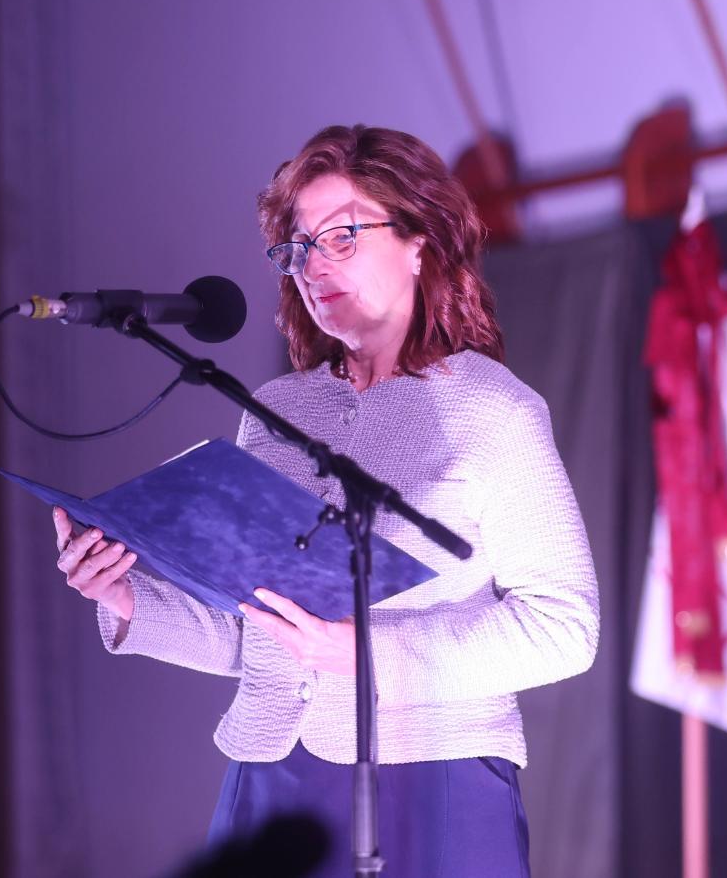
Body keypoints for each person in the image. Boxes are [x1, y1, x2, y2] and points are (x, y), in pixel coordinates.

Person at [53, 124, 599, 876]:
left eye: (342, 235)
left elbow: (565, 627)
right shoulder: (276, 412)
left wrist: (370, 657)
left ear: (419, 242)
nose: (313, 266)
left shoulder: (493, 410)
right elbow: (260, 632)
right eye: (298, 246)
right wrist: (126, 599)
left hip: (432, 773)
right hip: (271, 771)